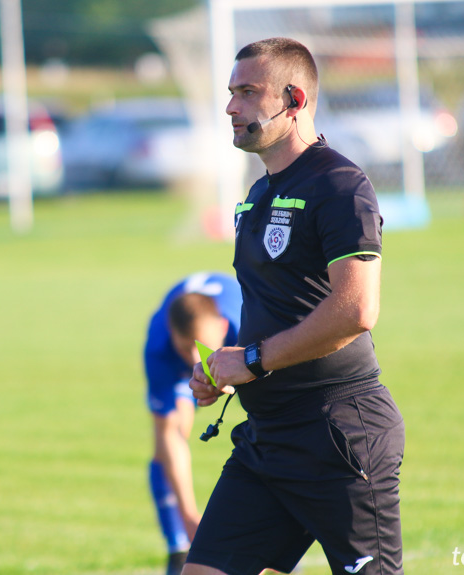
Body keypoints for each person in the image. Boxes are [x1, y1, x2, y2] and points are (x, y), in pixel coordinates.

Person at [184, 38, 405, 575]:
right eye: (231, 93)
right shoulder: (258, 194)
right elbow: (278, 304)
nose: (232, 107)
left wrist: (254, 359)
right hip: (267, 438)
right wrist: (226, 367)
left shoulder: (339, 184)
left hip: (338, 433)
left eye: (248, 92)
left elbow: (355, 311)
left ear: (295, 98)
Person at [143, 272, 243, 575]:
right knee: (166, 442)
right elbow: (171, 433)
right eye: (184, 347)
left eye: (198, 348)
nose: (191, 359)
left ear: (222, 329)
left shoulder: (246, 326)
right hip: (177, 340)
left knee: (269, 430)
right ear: (171, 332)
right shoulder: (160, 344)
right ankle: (178, 546)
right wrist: (190, 517)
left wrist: (234, 383)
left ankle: (279, 541)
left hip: (240, 353)